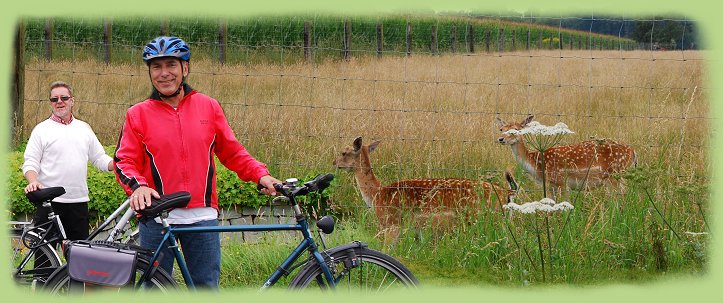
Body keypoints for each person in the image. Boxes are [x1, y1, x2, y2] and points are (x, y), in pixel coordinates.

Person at [114, 36, 281, 289]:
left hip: (202, 216)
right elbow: (124, 161)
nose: (164, 73)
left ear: (185, 68)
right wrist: (139, 187)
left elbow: (232, 151)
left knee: (205, 287)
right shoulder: (137, 114)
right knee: (154, 290)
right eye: (156, 67)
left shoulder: (208, 107)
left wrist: (261, 175)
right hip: (158, 217)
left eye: (171, 64)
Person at [22, 80, 115, 242]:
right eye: (54, 99)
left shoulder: (84, 128)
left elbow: (99, 158)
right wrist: (33, 181)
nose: (59, 102)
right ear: (50, 103)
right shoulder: (41, 130)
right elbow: (30, 162)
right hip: (49, 203)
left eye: (64, 98)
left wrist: (119, 164)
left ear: (72, 101)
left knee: (79, 260)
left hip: (78, 202)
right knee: (44, 262)